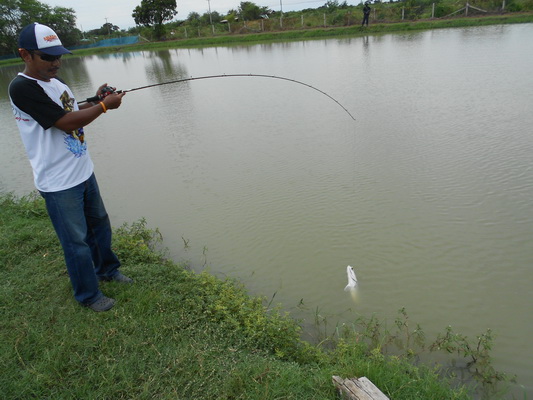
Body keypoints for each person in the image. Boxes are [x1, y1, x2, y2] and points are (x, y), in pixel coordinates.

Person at [8, 22, 131, 312]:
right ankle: (88, 295)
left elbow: (68, 110)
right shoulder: (22, 88)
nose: (56, 62)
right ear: (25, 54)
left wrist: (95, 99)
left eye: (58, 56)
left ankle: (108, 270)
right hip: (58, 181)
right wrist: (104, 107)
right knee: (76, 241)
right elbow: (64, 123)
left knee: (99, 224)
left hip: (82, 170)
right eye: (47, 57)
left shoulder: (56, 82)